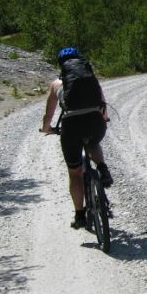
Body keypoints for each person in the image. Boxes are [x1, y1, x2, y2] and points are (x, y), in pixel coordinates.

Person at [40, 47, 113, 229]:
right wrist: (104, 118)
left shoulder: (56, 84)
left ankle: (80, 215)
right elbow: (102, 104)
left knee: (75, 173)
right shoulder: (90, 78)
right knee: (93, 142)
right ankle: (103, 169)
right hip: (95, 122)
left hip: (71, 127)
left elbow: (49, 114)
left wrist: (47, 128)